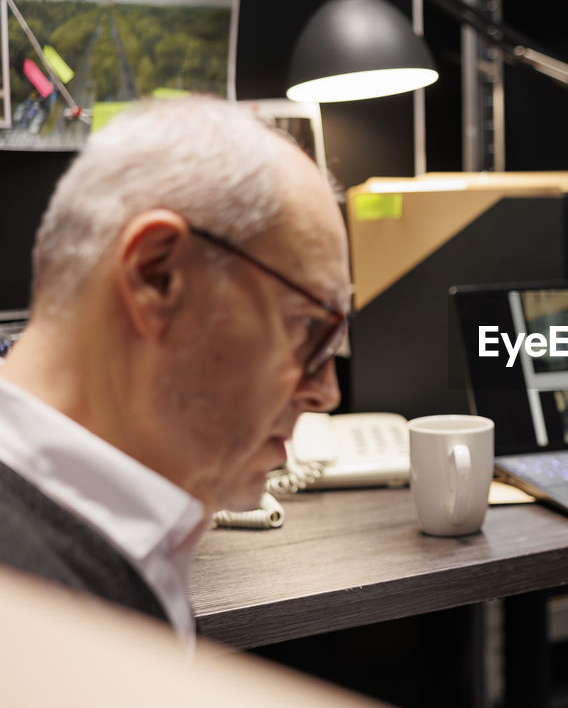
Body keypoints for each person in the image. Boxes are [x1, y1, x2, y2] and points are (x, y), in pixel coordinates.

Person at [0, 96, 351, 645]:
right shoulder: (30, 622)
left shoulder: (113, 539)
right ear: (157, 275)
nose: (325, 392)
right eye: (308, 327)